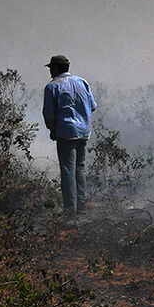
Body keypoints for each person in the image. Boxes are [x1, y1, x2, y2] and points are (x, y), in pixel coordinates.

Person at [42, 54, 97, 215]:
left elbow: (49, 115)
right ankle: (82, 207)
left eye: (52, 67)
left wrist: (53, 130)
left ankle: (69, 211)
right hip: (83, 132)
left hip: (66, 133)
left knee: (67, 171)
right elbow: (92, 106)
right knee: (80, 168)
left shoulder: (52, 87)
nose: (50, 71)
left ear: (57, 68)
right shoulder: (82, 82)